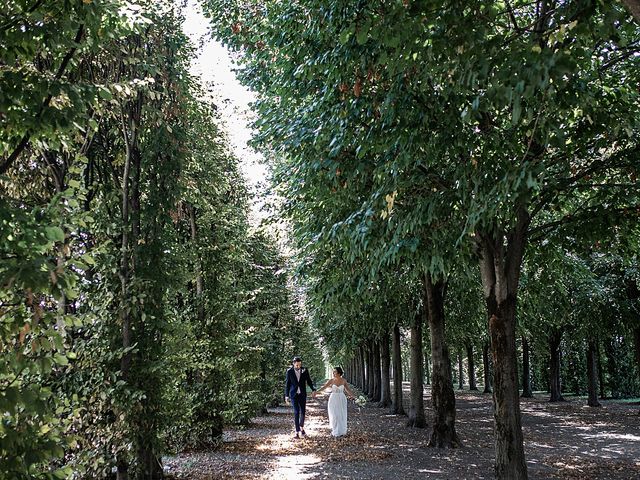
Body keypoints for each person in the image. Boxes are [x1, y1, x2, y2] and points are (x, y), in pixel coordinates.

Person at [315, 366, 355, 437]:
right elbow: (324, 387)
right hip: (333, 399)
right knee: (334, 414)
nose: (333, 373)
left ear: (339, 373)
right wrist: (316, 392)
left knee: (341, 414)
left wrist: (354, 396)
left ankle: (341, 430)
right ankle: (335, 429)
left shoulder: (343, 380)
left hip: (342, 399)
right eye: (333, 372)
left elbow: (348, 390)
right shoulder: (331, 380)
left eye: (335, 372)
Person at [284, 356, 316, 439]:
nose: (298, 366)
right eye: (297, 365)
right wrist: (286, 395)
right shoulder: (289, 371)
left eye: (300, 365)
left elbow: (309, 381)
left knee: (303, 411)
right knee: (296, 412)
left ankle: (301, 427)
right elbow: (287, 384)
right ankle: (297, 431)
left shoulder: (304, 370)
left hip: (302, 394)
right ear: (293, 364)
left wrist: (313, 389)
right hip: (293, 394)